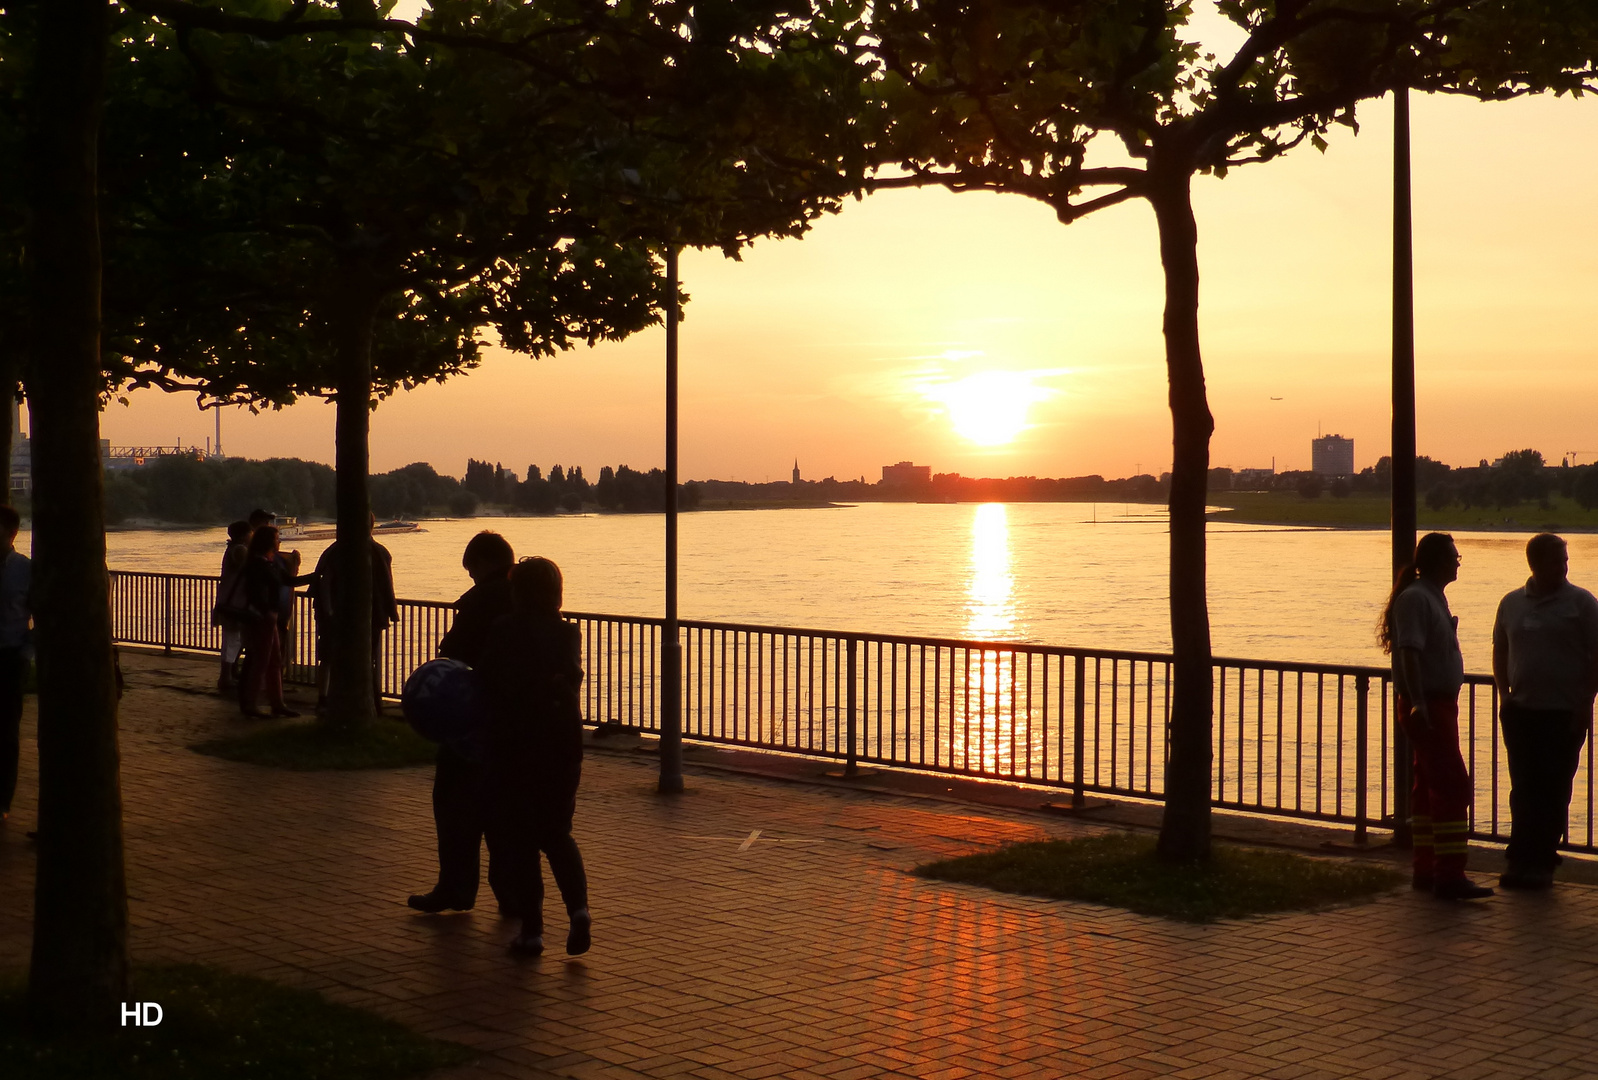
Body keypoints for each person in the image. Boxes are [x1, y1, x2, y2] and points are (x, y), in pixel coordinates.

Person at [477, 557, 591, 956]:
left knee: (521, 841)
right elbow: (566, 680)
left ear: (518, 592)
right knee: (557, 833)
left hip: (517, 745)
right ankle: (578, 911)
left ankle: (533, 930)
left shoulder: (506, 630)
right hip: (562, 744)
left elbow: (489, 682)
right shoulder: (568, 635)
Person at [1379, 532, 1492, 900]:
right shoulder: (1417, 599)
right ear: (1439, 561)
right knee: (1452, 785)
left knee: (1427, 789)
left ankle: (1425, 869)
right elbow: (1409, 653)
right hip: (1428, 703)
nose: (1458, 562)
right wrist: (1418, 703)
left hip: (1436, 702)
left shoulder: (1430, 597)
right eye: (1455, 557)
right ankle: (1450, 874)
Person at [409, 531, 517, 915]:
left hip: (473, 722)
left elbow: (452, 651)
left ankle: (456, 887)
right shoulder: (530, 599)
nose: (470, 577)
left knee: (455, 804)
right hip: (513, 726)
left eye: (472, 569)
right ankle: (512, 896)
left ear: (485, 563)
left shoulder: (483, 602)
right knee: (505, 814)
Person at [1491, 533, 1598, 889]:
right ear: (1534, 563)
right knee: (1523, 788)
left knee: (1554, 789)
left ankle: (1542, 863)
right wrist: (1503, 694)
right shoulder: (1510, 603)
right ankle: (1519, 860)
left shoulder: (1582, 603)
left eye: (1565, 561)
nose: (1563, 568)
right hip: (1521, 711)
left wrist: (1585, 702)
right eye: (1557, 561)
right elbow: (1500, 649)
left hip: (1564, 712)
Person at [311, 514, 399, 709]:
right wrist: (389, 611)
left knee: (328, 658)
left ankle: (324, 698)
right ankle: (370, 701)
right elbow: (386, 584)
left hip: (335, 616)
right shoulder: (380, 552)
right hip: (370, 615)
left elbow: (323, 581)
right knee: (368, 659)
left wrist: (328, 611)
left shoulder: (334, 551)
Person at [238, 525, 314, 719]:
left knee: (273, 660)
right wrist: (266, 612)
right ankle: (252, 703)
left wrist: (314, 576)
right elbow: (258, 592)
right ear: (268, 542)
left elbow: (288, 581)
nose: (279, 541)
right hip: (263, 618)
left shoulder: (268, 563)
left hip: (268, 617)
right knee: (262, 660)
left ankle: (276, 702)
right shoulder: (259, 565)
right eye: (277, 538)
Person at [0, 506, 30, 823]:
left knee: (7, 732)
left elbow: (40, 615)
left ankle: (3, 800)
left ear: (11, 534)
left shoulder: (25, 570)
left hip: (9, 657)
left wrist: (25, 653)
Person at [213, 520, 252, 693]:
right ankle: (226, 677)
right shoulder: (240, 551)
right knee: (232, 640)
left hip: (229, 602)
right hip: (234, 604)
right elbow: (250, 569)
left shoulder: (233, 550)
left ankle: (229, 675)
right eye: (250, 533)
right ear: (244, 535)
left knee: (233, 640)